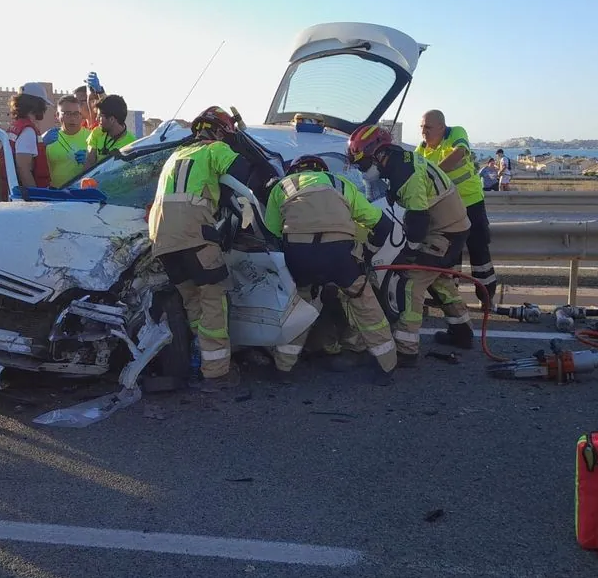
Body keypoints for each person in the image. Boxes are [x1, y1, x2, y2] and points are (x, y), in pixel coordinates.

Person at [263, 155, 397, 385]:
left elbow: (272, 233)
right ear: (322, 170)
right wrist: (365, 255)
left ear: (294, 170)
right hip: (339, 255)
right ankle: (386, 366)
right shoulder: (340, 183)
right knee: (365, 305)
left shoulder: (281, 187)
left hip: (300, 256)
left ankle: (283, 368)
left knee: (299, 307)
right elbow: (383, 224)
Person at [347, 124, 473, 366]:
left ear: (379, 154)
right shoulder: (398, 162)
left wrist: (410, 253)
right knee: (437, 278)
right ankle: (462, 332)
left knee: (412, 282)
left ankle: (406, 349)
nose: (362, 171)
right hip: (449, 225)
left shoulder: (405, 174)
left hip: (444, 231)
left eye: (363, 165)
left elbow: (418, 219)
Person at [149, 106, 252, 393]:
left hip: (161, 240)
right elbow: (241, 170)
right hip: (194, 234)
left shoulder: (174, 156)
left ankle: (201, 360)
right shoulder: (213, 149)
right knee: (213, 299)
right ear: (219, 132)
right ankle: (217, 374)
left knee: (192, 299)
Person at [416, 110, 498, 306]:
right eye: (421, 127)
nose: (423, 132)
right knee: (450, 254)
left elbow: (459, 153)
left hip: (471, 202)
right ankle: (451, 301)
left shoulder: (455, 134)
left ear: (441, 128)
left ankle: (487, 297)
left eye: (427, 127)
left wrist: (434, 173)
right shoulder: (420, 151)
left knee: (479, 251)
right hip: (445, 210)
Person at [0, 82, 54, 197]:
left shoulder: (15, 127)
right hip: (24, 197)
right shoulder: (28, 131)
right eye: (44, 105)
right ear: (37, 105)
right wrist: (36, 197)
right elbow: (23, 168)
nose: (45, 109)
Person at [42, 95, 92, 188]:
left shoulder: (92, 137)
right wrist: (40, 145)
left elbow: (103, 168)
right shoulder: (49, 138)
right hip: (57, 195)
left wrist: (91, 161)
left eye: (76, 114)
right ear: (57, 115)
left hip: (84, 195)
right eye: (67, 114)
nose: (72, 118)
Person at [83, 94, 135, 173]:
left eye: (100, 116)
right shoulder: (96, 132)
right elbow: (89, 163)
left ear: (111, 119)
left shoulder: (132, 143)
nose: (97, 119)